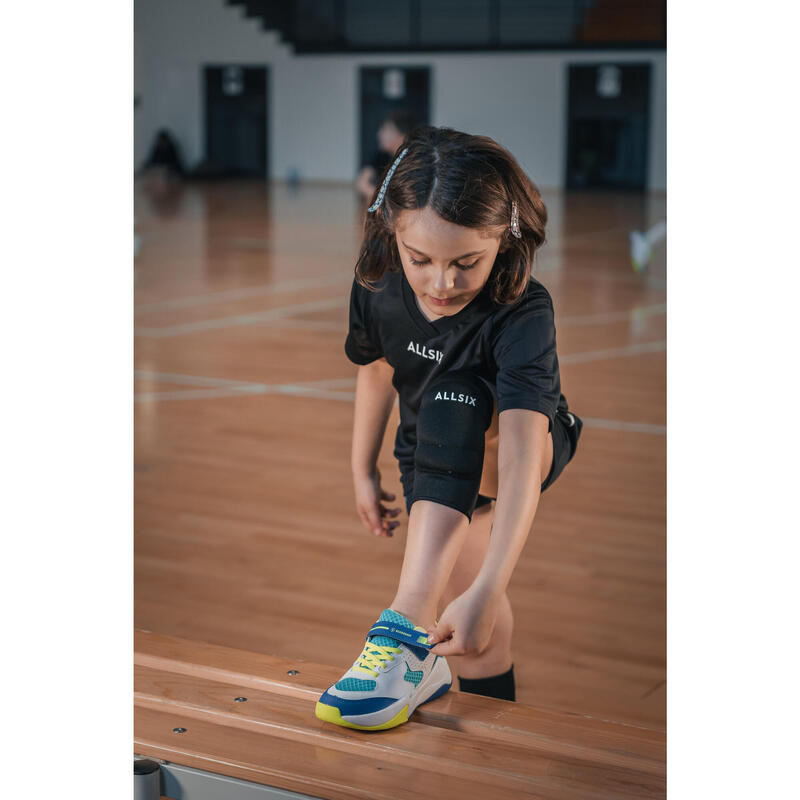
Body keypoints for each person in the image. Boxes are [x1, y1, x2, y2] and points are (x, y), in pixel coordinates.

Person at [316, 126, 583, 731]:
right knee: (471, 630)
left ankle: (402, 623)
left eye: (467, 263)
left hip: (517, 446)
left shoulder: (523, 309)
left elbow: (520, 451)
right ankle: (480, 715)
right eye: (421, 261)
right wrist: (361, 469)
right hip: (430, 456)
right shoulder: (378, 283)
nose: (441, 284)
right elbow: (378, 369)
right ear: (393, 237)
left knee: (452, 395)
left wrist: (492, 582)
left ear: (504, 242)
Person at [355, 110, 420, 203]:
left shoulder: (413, 161)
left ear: (402, 135)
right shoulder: (381, 156)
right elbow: (361, 183)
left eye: (386, 129)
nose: (379, 134)